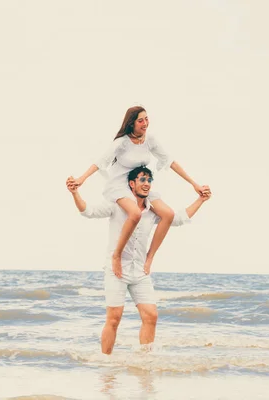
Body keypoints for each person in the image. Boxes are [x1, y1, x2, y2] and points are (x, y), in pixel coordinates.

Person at [66, 166, 211, 354]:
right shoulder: (117, 205)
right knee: (114, 318)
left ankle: (144, 361)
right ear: (131, 184)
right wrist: (75, 193)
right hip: (116, 269)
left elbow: (178, 218)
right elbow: (88, 211)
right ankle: (106, 363)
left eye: (149, 181)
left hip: (140, 271)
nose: (147, 184)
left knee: (151, 316)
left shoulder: (153, 211)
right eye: (142, 180)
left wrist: (201, 200)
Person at [69, 106, 204, 281]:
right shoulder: (122, 143)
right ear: (131, 123)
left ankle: (149, 258)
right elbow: (100, 161)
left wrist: (194, 184)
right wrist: (81, 179)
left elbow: (170, 162)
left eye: (147, 119)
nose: (145, 123)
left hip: (140, 185)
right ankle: (116, 256)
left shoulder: (150, 140)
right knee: (134, 213)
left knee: (168, 214)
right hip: (120, 186)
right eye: (141, 120)